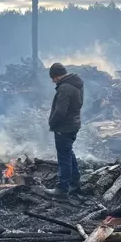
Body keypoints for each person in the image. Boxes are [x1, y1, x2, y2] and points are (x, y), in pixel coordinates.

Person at [45, 62, 84, 199]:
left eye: (53, 78)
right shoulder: (76, 83)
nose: (52, 81)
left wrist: (52, 122)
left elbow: (60, 111)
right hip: (73, 125)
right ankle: (75, 181)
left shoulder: (65, 88)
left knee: (63, 158)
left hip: (64, 127)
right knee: (68, 152)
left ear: (57, 75)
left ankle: (62, 189)